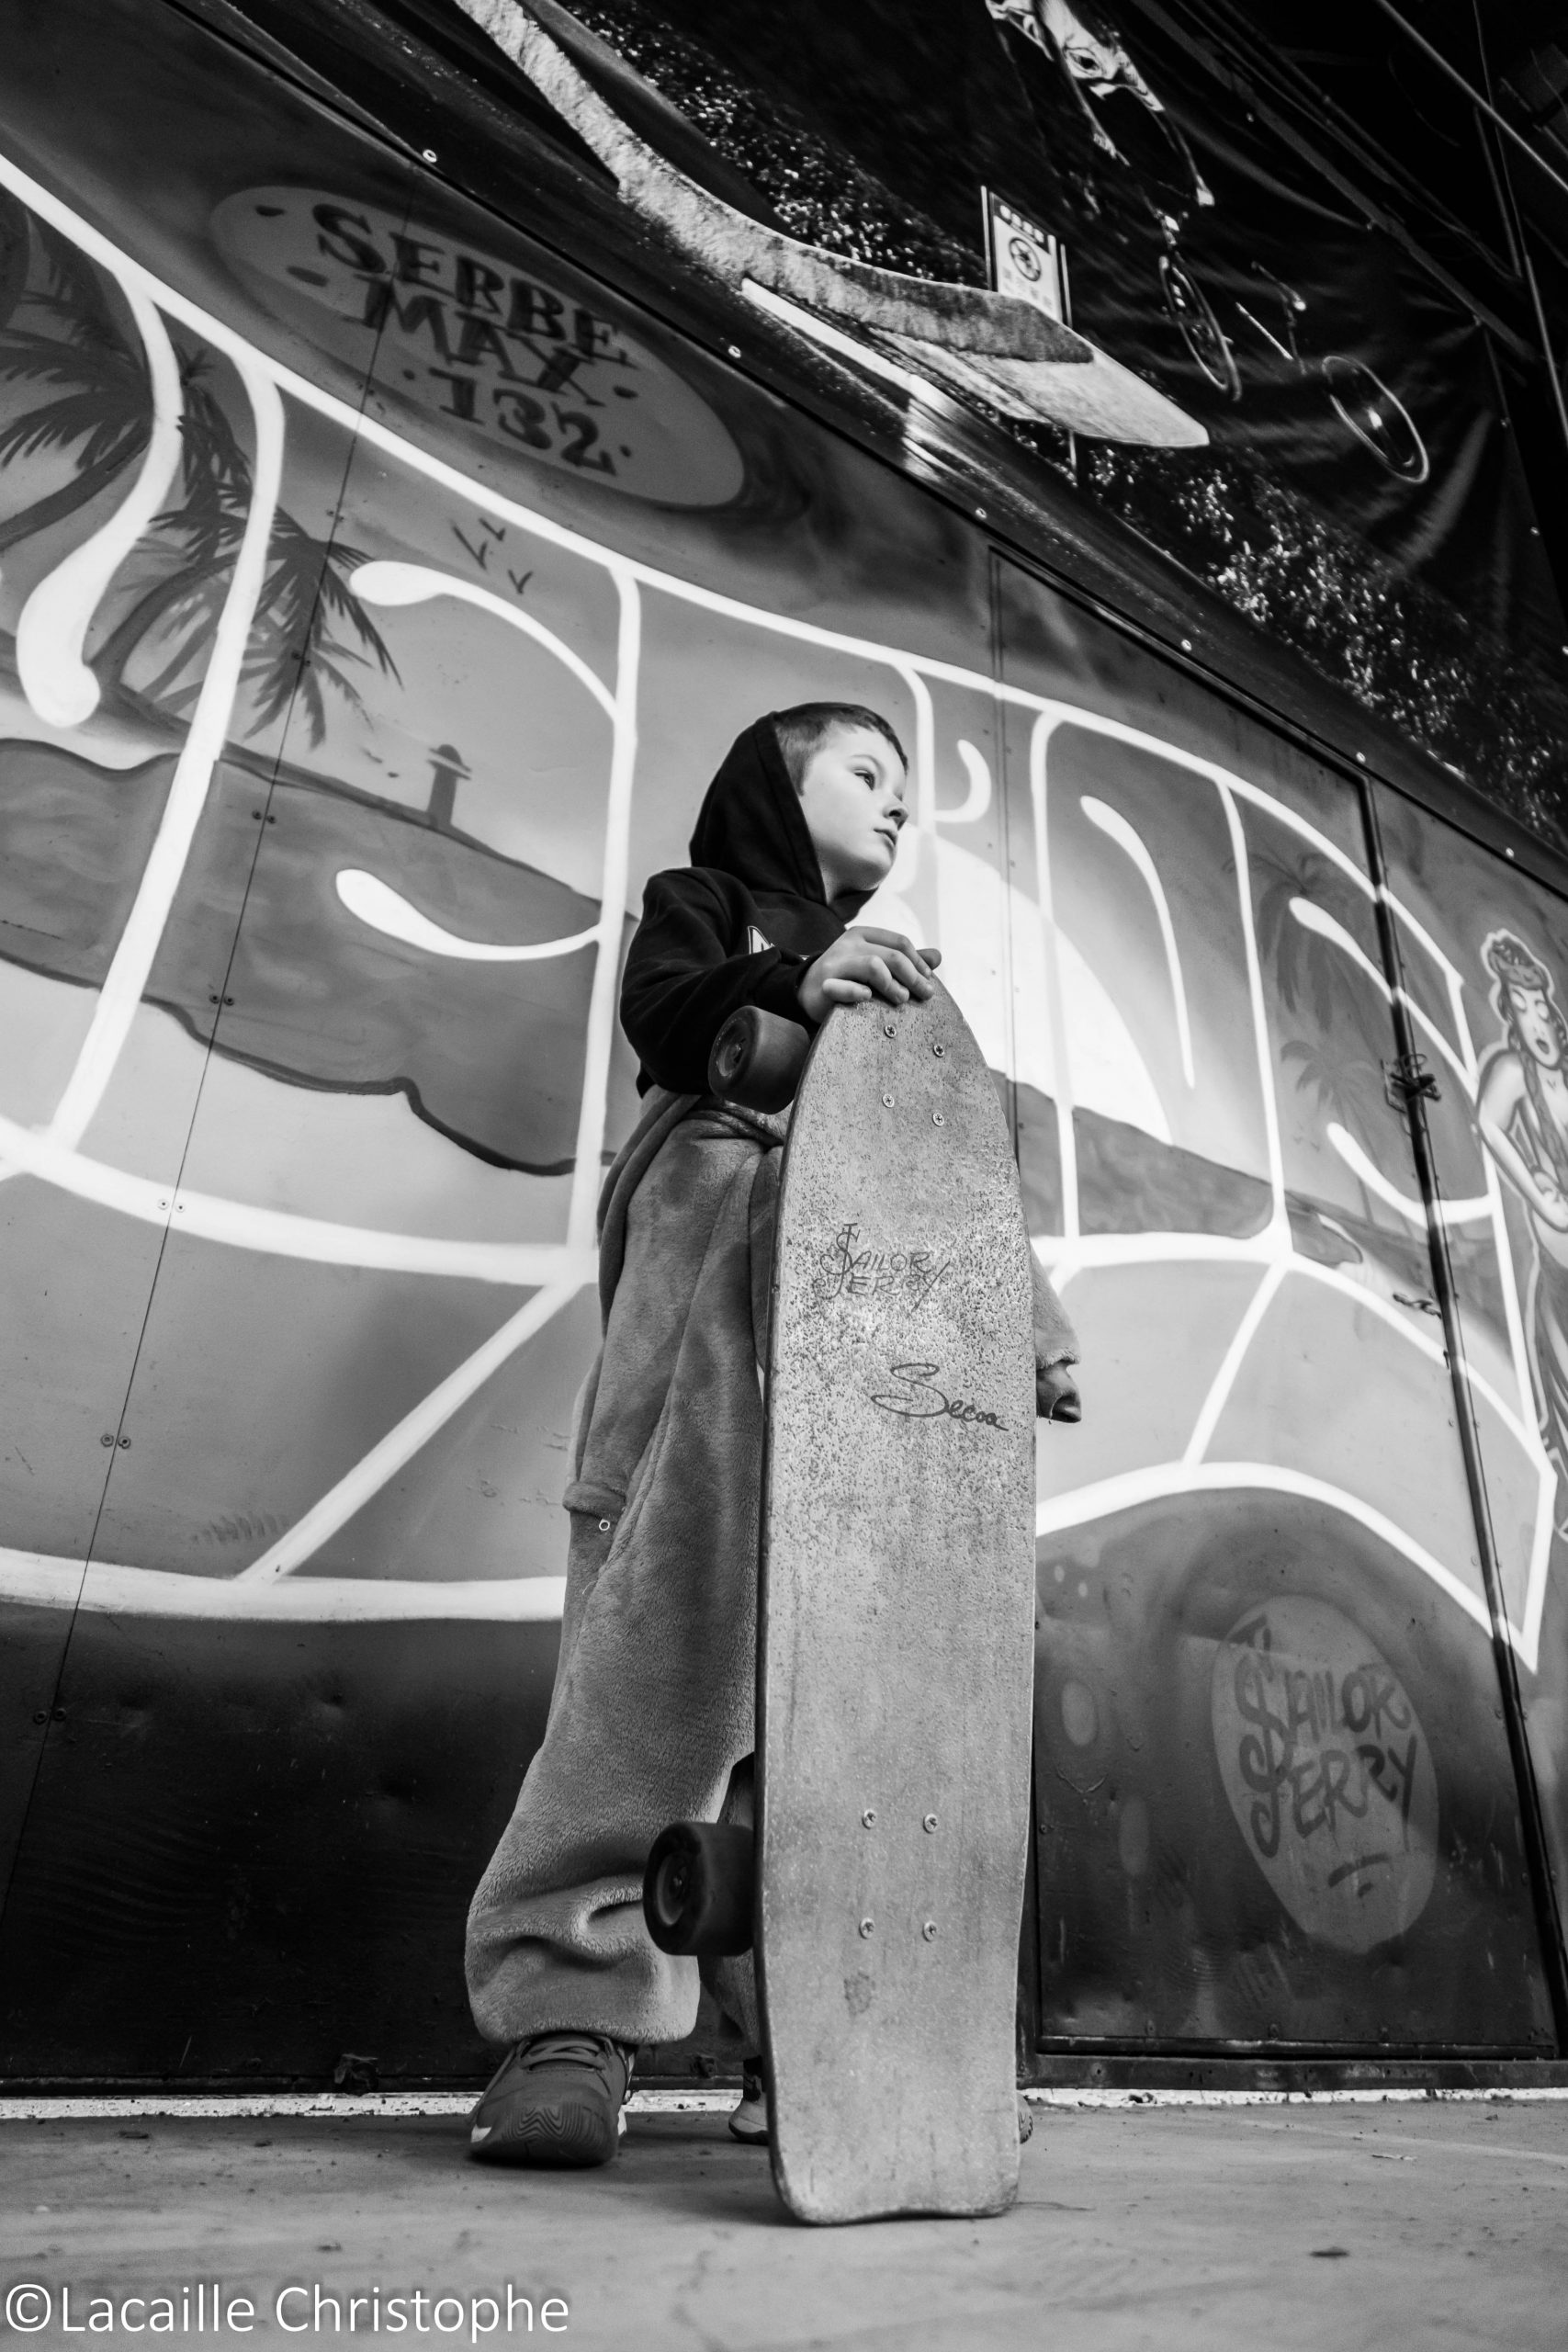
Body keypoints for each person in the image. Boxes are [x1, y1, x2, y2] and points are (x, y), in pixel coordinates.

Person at [463, 704, 1081, 2166]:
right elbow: (665, 1011)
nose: (896, 805)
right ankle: (571, 2013)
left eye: (906, 788)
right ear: (771, 785)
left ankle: (823, 2049)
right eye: (865, 772)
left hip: (850, 1359)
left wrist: (1029, 1328)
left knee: (842, 1688)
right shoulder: (706, 903)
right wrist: (791, 980)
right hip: (700, 1317)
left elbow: (939, 1166)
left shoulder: (895, 981)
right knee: (659, 1648)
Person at [1476, 929, 1568, 1487]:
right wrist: (1538, 1194)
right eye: (1522, 1008)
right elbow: (1488, 1123)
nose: (1536, 1021)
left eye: (1540, 1006)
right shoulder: (1513, 1072)